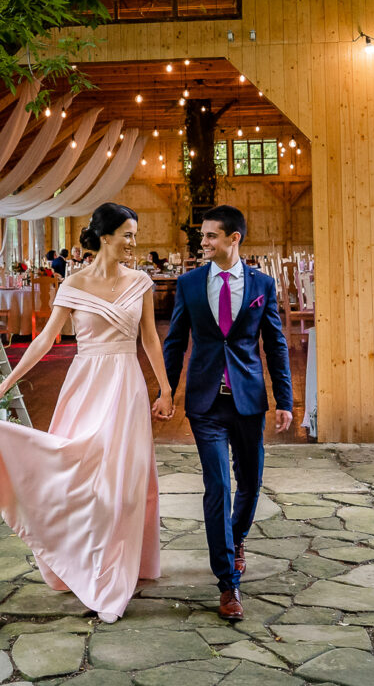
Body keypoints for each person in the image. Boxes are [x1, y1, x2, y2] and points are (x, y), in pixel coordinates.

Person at [0, 202, 175, 623]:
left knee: (122, 485)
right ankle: (79, 560)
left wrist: (166, 388)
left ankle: (114, 569)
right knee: (77, 474)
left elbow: (151, 342)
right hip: (85, 385)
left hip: (126, 387)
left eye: (135, 235)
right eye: (128, 235)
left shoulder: (140, 282)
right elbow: (45, 341)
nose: (135, 243)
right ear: (106, 237)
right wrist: (4, 384)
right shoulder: (72, 285)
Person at [161, 204, 291, 621]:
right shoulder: (190, 284)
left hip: (248, 400)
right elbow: (175, 341)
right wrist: (166, 391)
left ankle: (236, 540)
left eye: (211, 236)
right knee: (218, 486)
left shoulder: (262, 285)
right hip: (204, 403)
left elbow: (275, 344)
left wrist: (285, 400)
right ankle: (227, 583)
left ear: (234, 238)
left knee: (250, 482)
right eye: (203, 236)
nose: (204, 243)